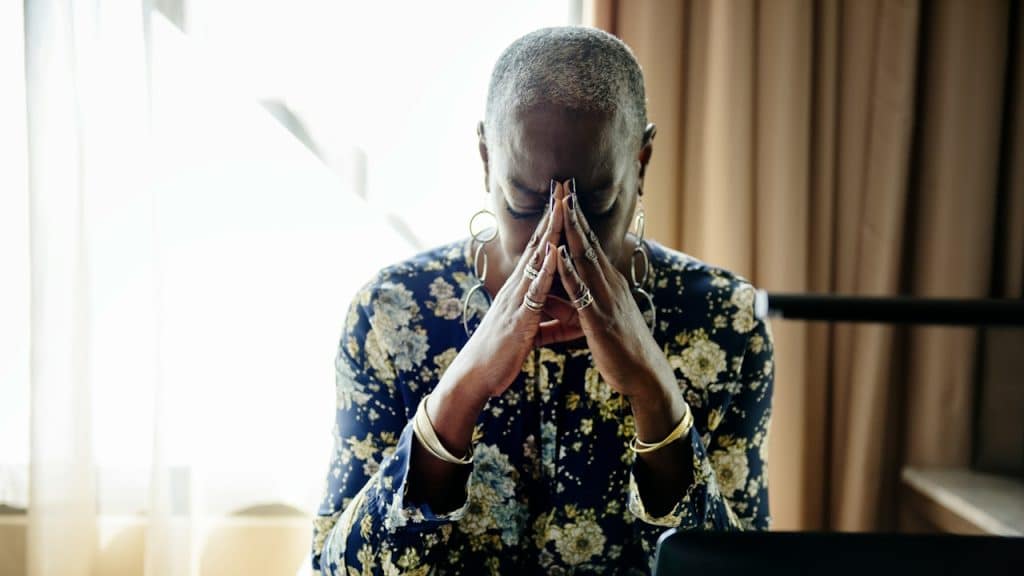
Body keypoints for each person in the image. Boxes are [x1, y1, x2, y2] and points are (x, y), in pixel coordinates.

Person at [311, 26, 773, 575]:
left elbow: (746, 570)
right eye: (524, 203)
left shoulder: (726, 321)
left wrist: (655, 394)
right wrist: (462, 391)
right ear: (487, 159)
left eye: (595, 205)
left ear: (641, 162)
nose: (557, 240)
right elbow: (335, 568)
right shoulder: (391, 315)